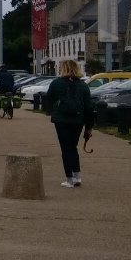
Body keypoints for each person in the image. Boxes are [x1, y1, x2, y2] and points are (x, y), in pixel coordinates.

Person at [43, 58, 95, 188]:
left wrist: (53, 109)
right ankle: (77, 176)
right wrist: (89, 127)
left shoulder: (56, 83)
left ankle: (69, 179)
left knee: (65, 148)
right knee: (73, 147)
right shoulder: (83, 86)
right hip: (78, 120)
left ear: (63, 69)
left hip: (61, 119)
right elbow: (89, 107)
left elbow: (49, 99)